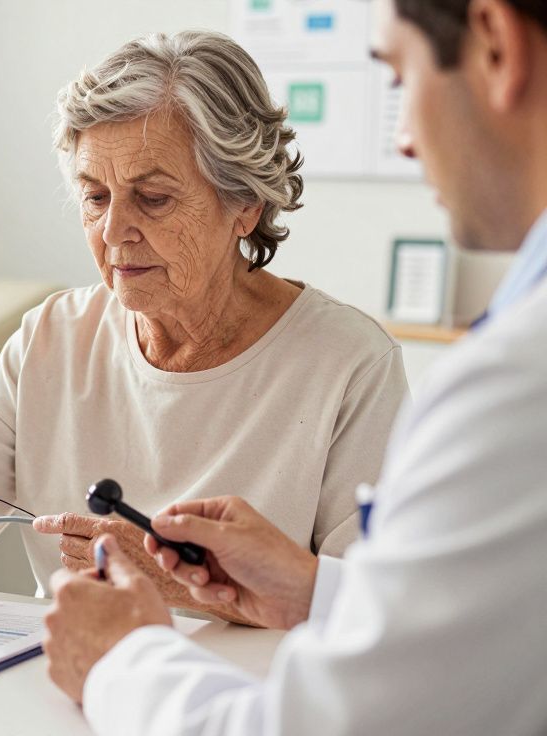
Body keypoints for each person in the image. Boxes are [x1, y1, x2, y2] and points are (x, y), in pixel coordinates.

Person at [42, 0, 547, 732]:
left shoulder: (510, 386)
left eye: (400, 78)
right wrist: (316, 592)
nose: (403, 138)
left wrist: (120, 658)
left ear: (496, 46)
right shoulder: (53, 332)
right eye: (95, 196)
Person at [0, 31, 408, 617]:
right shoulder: (51, 337)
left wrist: (175, 583)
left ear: (245, 205)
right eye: (96, 197)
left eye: (153, 198)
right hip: (78, 681)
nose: (114, 230)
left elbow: (368, 609)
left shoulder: (350, 363)